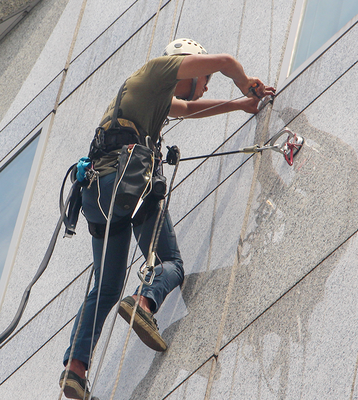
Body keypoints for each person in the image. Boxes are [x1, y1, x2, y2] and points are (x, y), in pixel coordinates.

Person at [59, 38, 275, 399]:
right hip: (129, 182)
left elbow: (188, 110)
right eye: (203, 78)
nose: (204, 86)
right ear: (188, 66)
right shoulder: (157, 70)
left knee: (106, 287)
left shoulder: (149, 97)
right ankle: (144, 302)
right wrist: (245, 82)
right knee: (171, 262)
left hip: (97, 194)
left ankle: (75, 368)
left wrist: (239, 106)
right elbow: (224, 61)